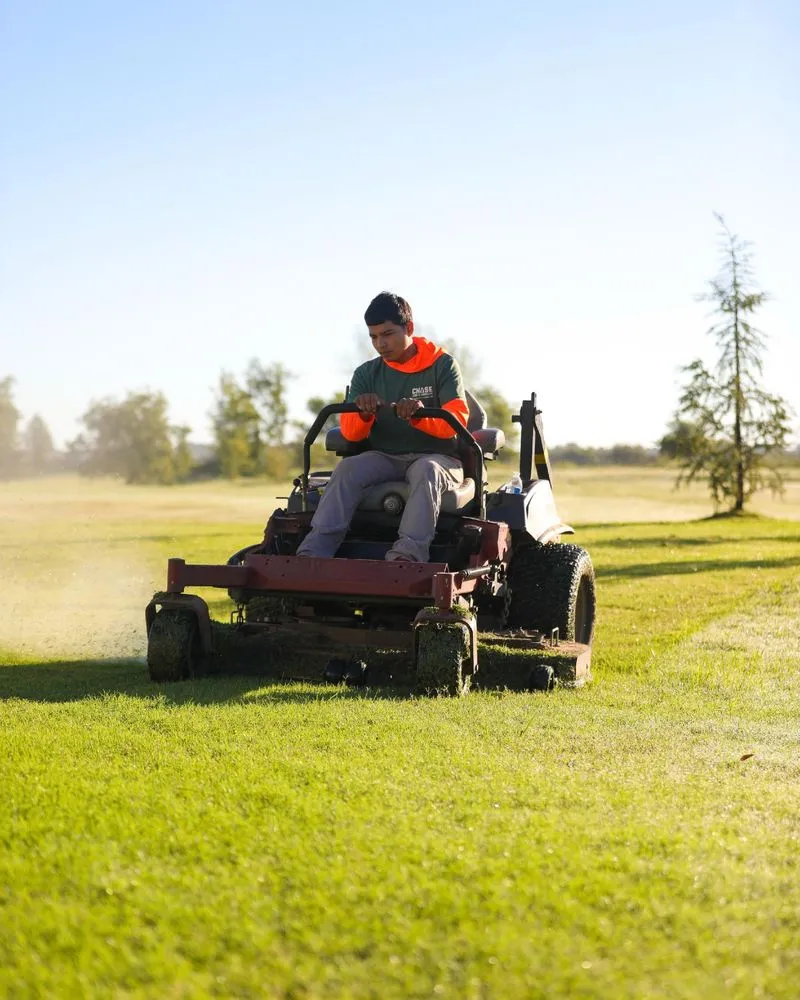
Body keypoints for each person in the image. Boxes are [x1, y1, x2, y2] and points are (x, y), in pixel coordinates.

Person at [296, 291, 469, 562]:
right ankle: (313, 553)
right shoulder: (366, 374)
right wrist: (364, 415)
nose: (380, 343)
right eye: (374, 337)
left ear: (409, 328)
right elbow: (351, 434)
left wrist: (418, 416)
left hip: (439, 459)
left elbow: (454, 424)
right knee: (348, 468)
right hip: (386, 457)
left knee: (426, 469)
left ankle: (407, 557)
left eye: (387, 334)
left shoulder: (441, 365)